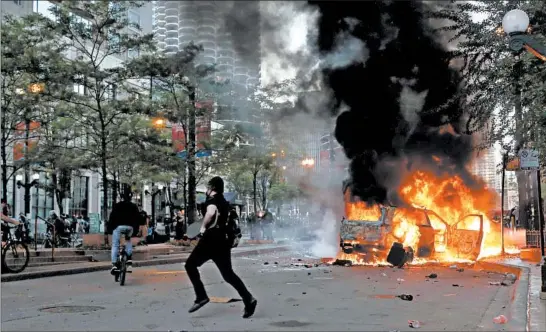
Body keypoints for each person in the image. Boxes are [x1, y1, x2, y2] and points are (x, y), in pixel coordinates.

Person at [184, 176, 257, 318]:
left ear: (212, 188)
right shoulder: (225, 202)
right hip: (223, 242)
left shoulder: (212, 200)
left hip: (210, 240)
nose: (206, 189)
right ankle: (248, 299)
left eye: (208, 187)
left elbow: (210, 213)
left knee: (190, 265)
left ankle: (201, 296)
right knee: (228, 274)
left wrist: (203, 228)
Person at [108, 189, 140, 275]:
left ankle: (114, 264)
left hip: (118, 227)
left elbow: (112, 217)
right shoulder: (133, 206)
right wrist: (135, 230)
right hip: (130, 227)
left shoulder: (117, 206)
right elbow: (138, 218)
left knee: (115, 244)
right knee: (128, 240)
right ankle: (129, 261)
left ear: (121, 197)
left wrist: (110, 229)